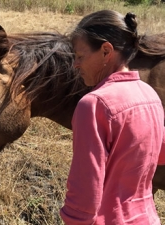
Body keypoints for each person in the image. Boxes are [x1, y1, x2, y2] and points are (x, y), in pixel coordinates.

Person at [60, 10, 164, 224]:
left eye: (80, 56)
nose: (75, 65)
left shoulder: (94, 105)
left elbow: (84, 200)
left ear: (106, 51)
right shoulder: (150, 95)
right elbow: (159, 156)